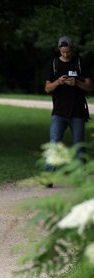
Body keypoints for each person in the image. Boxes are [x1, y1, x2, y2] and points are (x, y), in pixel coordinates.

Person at [44, 36, 92, 184]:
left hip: (77, 112)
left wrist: (76, 82)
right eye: (63, 52)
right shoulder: (53, 64)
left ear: (72, 49)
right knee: (54, 144)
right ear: (59, 49)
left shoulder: (79, 63)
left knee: (79, 147)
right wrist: (58, 82)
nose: (66, 55)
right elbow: (47, 88)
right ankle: (48, 177)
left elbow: (90, 87)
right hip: (59, 112)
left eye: (68, 52)